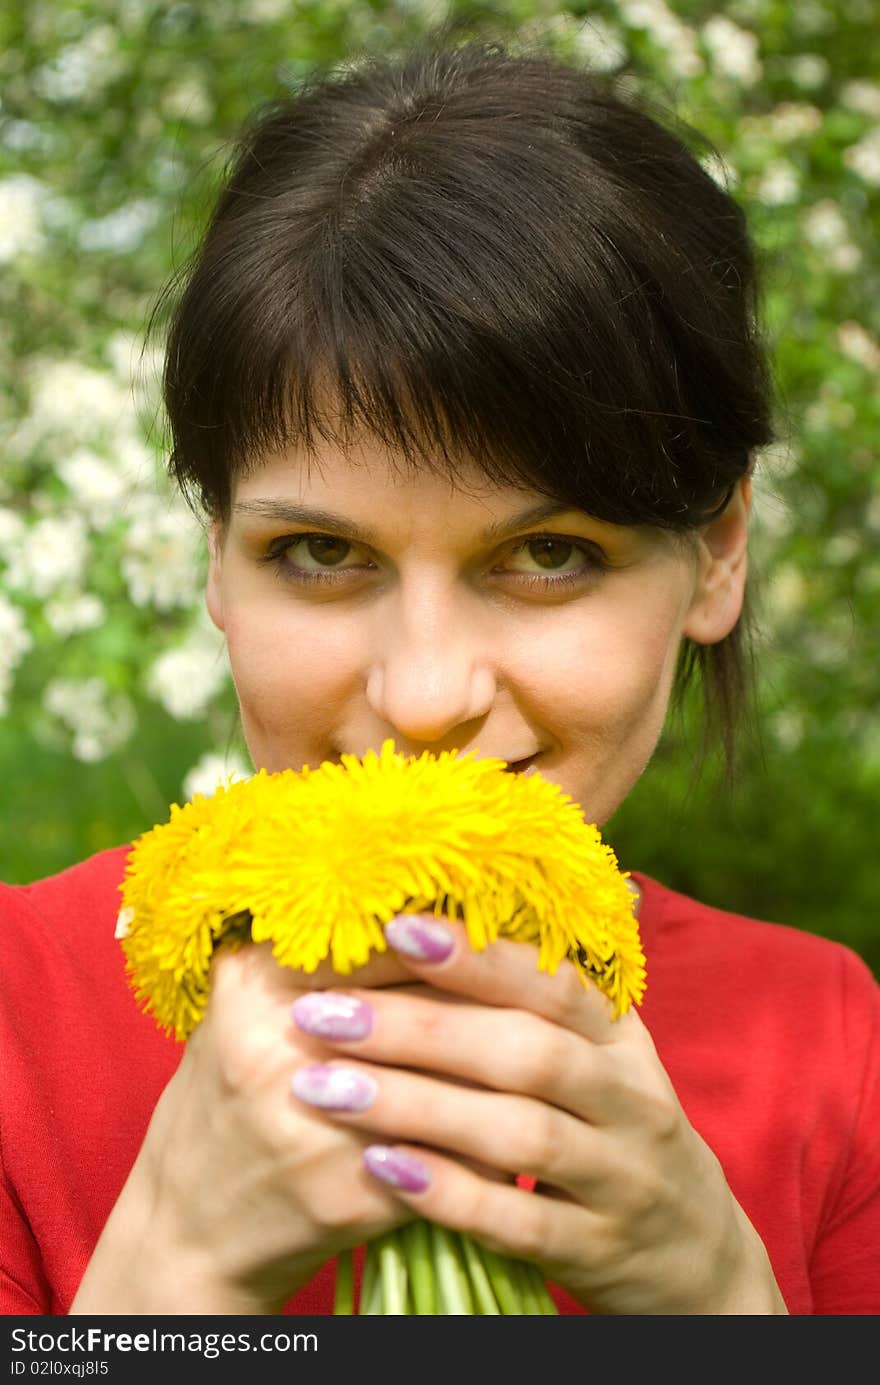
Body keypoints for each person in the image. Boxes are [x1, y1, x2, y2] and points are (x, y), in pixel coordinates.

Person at [1, 36, 878, 1319]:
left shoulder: (826, 1035)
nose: (422, 696)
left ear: (717, 556)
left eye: (546, 553)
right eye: (318, 551)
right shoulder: (20, 1013)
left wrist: (728, 1310)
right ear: (216, 561)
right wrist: (166, 1280)